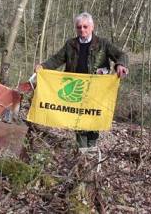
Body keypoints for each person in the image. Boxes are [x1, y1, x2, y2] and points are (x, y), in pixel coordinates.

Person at [34, 12, 128, 152]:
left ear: (92, 27)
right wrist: (43, 66)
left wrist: (120, 64)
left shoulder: (103, 44)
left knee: (93, 119)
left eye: (85, 26)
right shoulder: (70, 44)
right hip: (76, 89)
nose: (82, 30)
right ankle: (82, 151)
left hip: (96, 90)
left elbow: (122, 55)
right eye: (79, 27)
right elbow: (57, 59)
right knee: (78, 120)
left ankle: (92, 148)